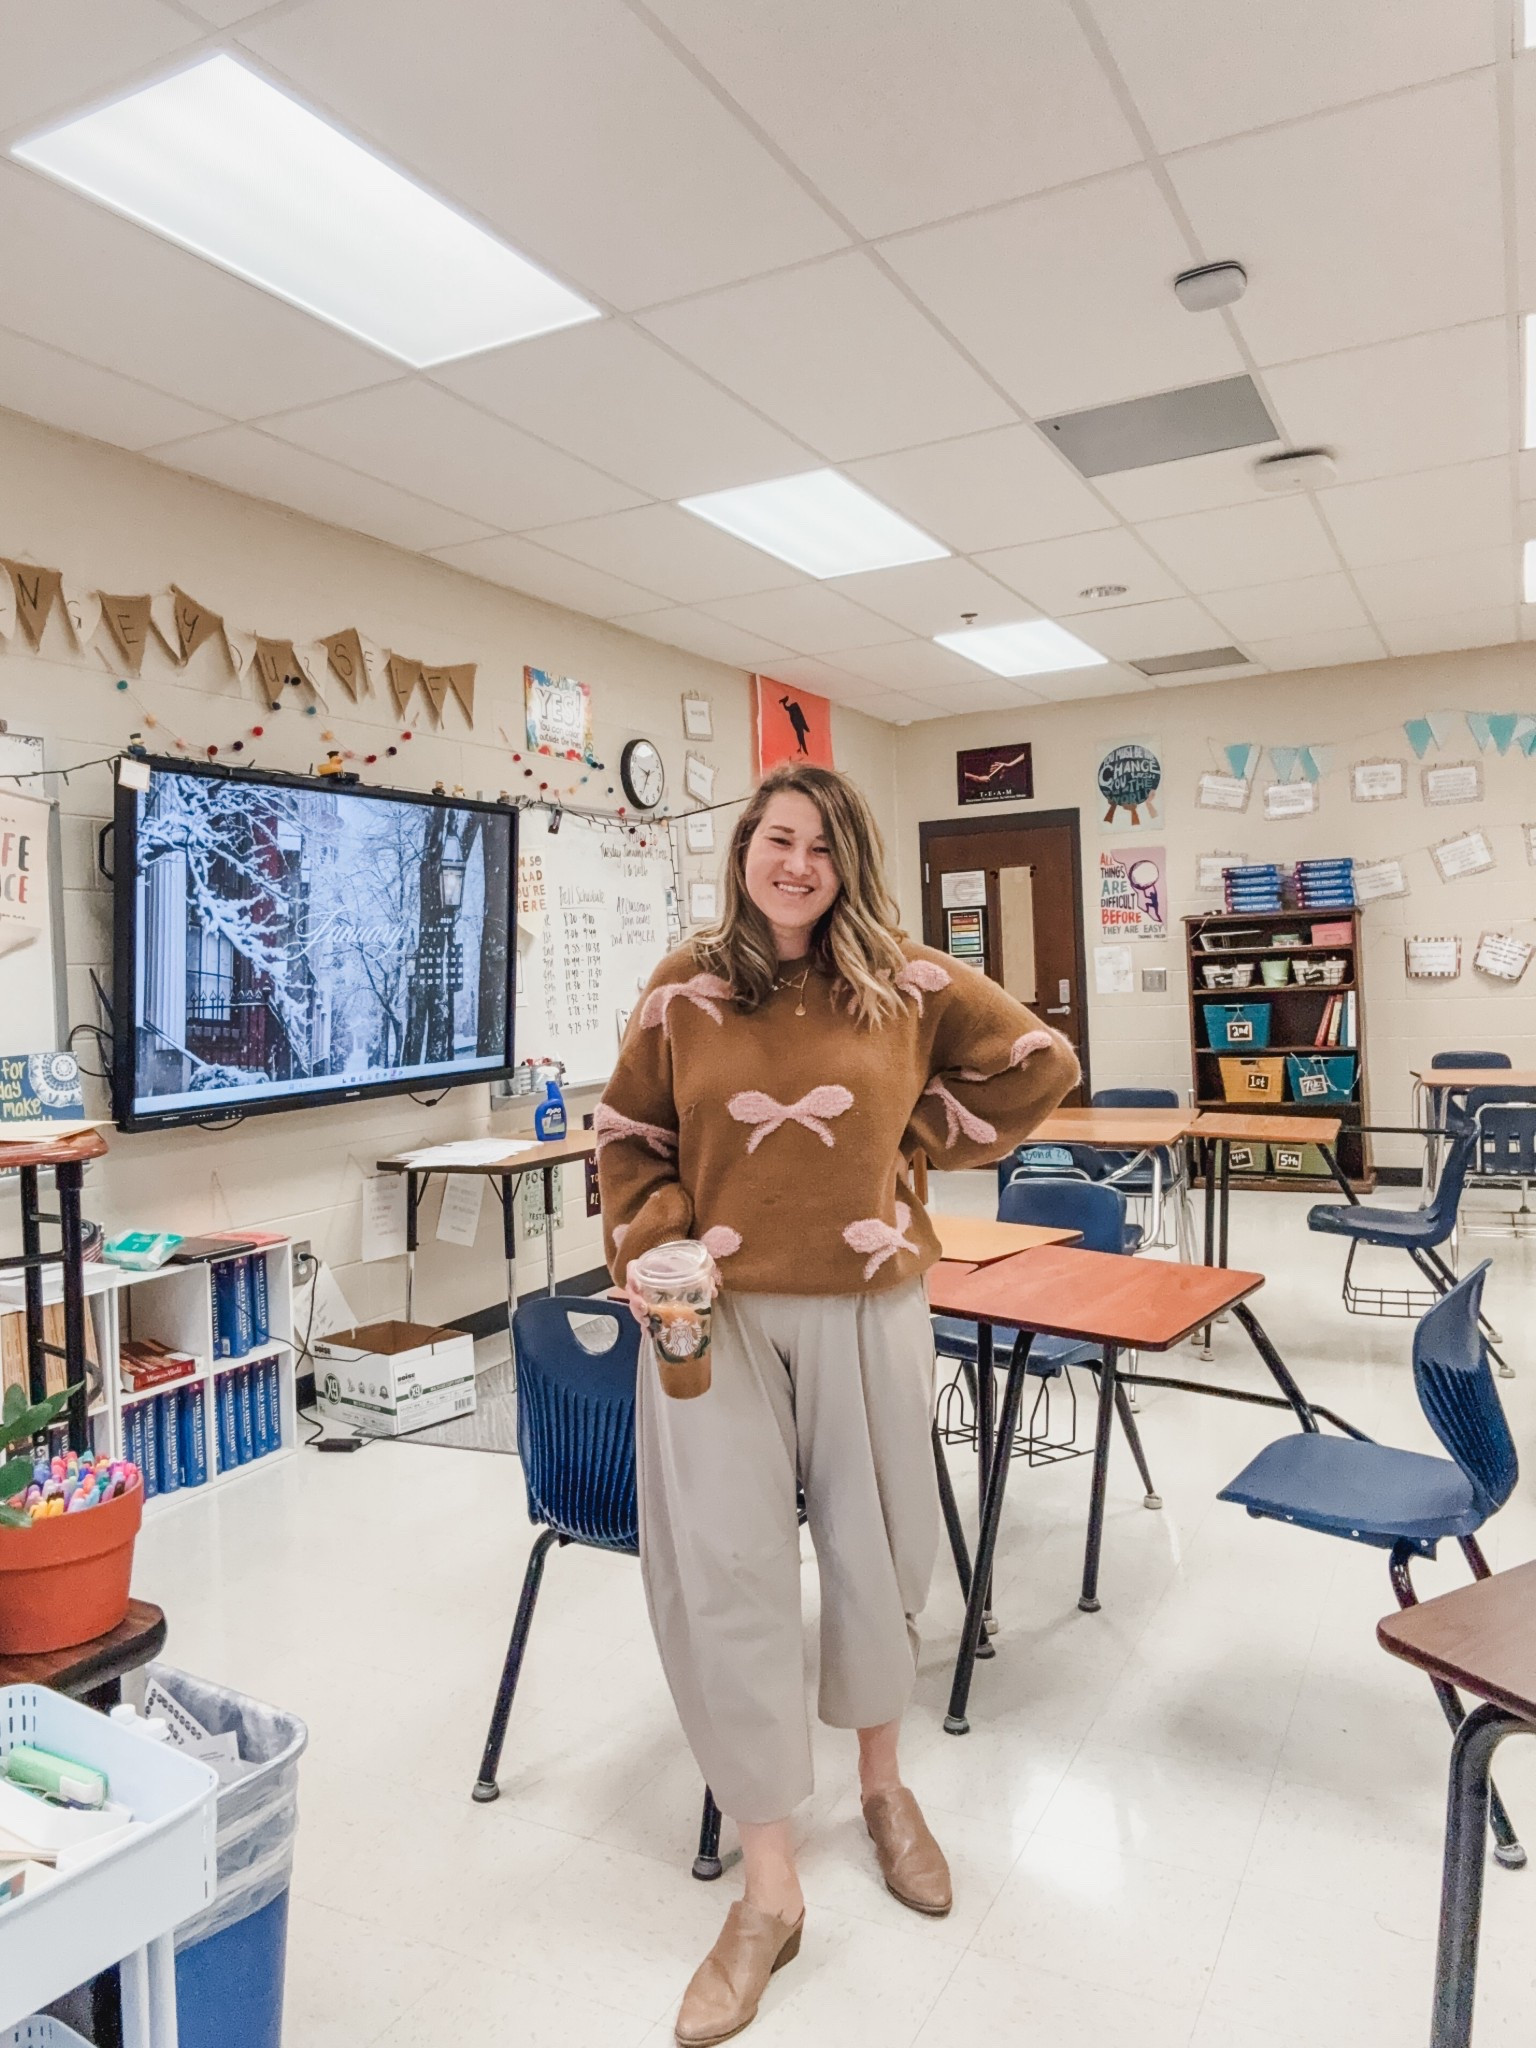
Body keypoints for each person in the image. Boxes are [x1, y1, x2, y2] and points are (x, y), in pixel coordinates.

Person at [597, 763, 1078, 2046]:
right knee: (728, 1575)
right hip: (715, 1316)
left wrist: (914, 1134)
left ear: (849, 860)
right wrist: (655, 1240)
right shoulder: (685, 987)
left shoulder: (905, 981)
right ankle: (769, 1884)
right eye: (776, 837)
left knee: (880, 1555)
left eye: (820, 844)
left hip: (869, 1303)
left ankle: (882, 1786)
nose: (796, 863)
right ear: (745, 851)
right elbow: (630, 1137)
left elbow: (1040, 1064)